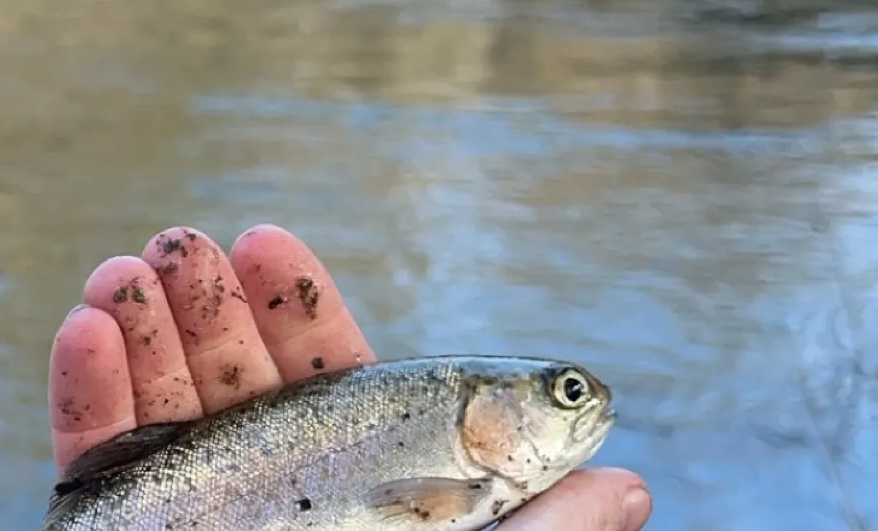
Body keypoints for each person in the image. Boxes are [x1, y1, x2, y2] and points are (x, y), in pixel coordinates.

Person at [47, 223, 653, 531]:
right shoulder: (460, 477)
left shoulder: (460, 473)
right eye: (567, 394)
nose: (582, 404)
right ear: (484, 406)